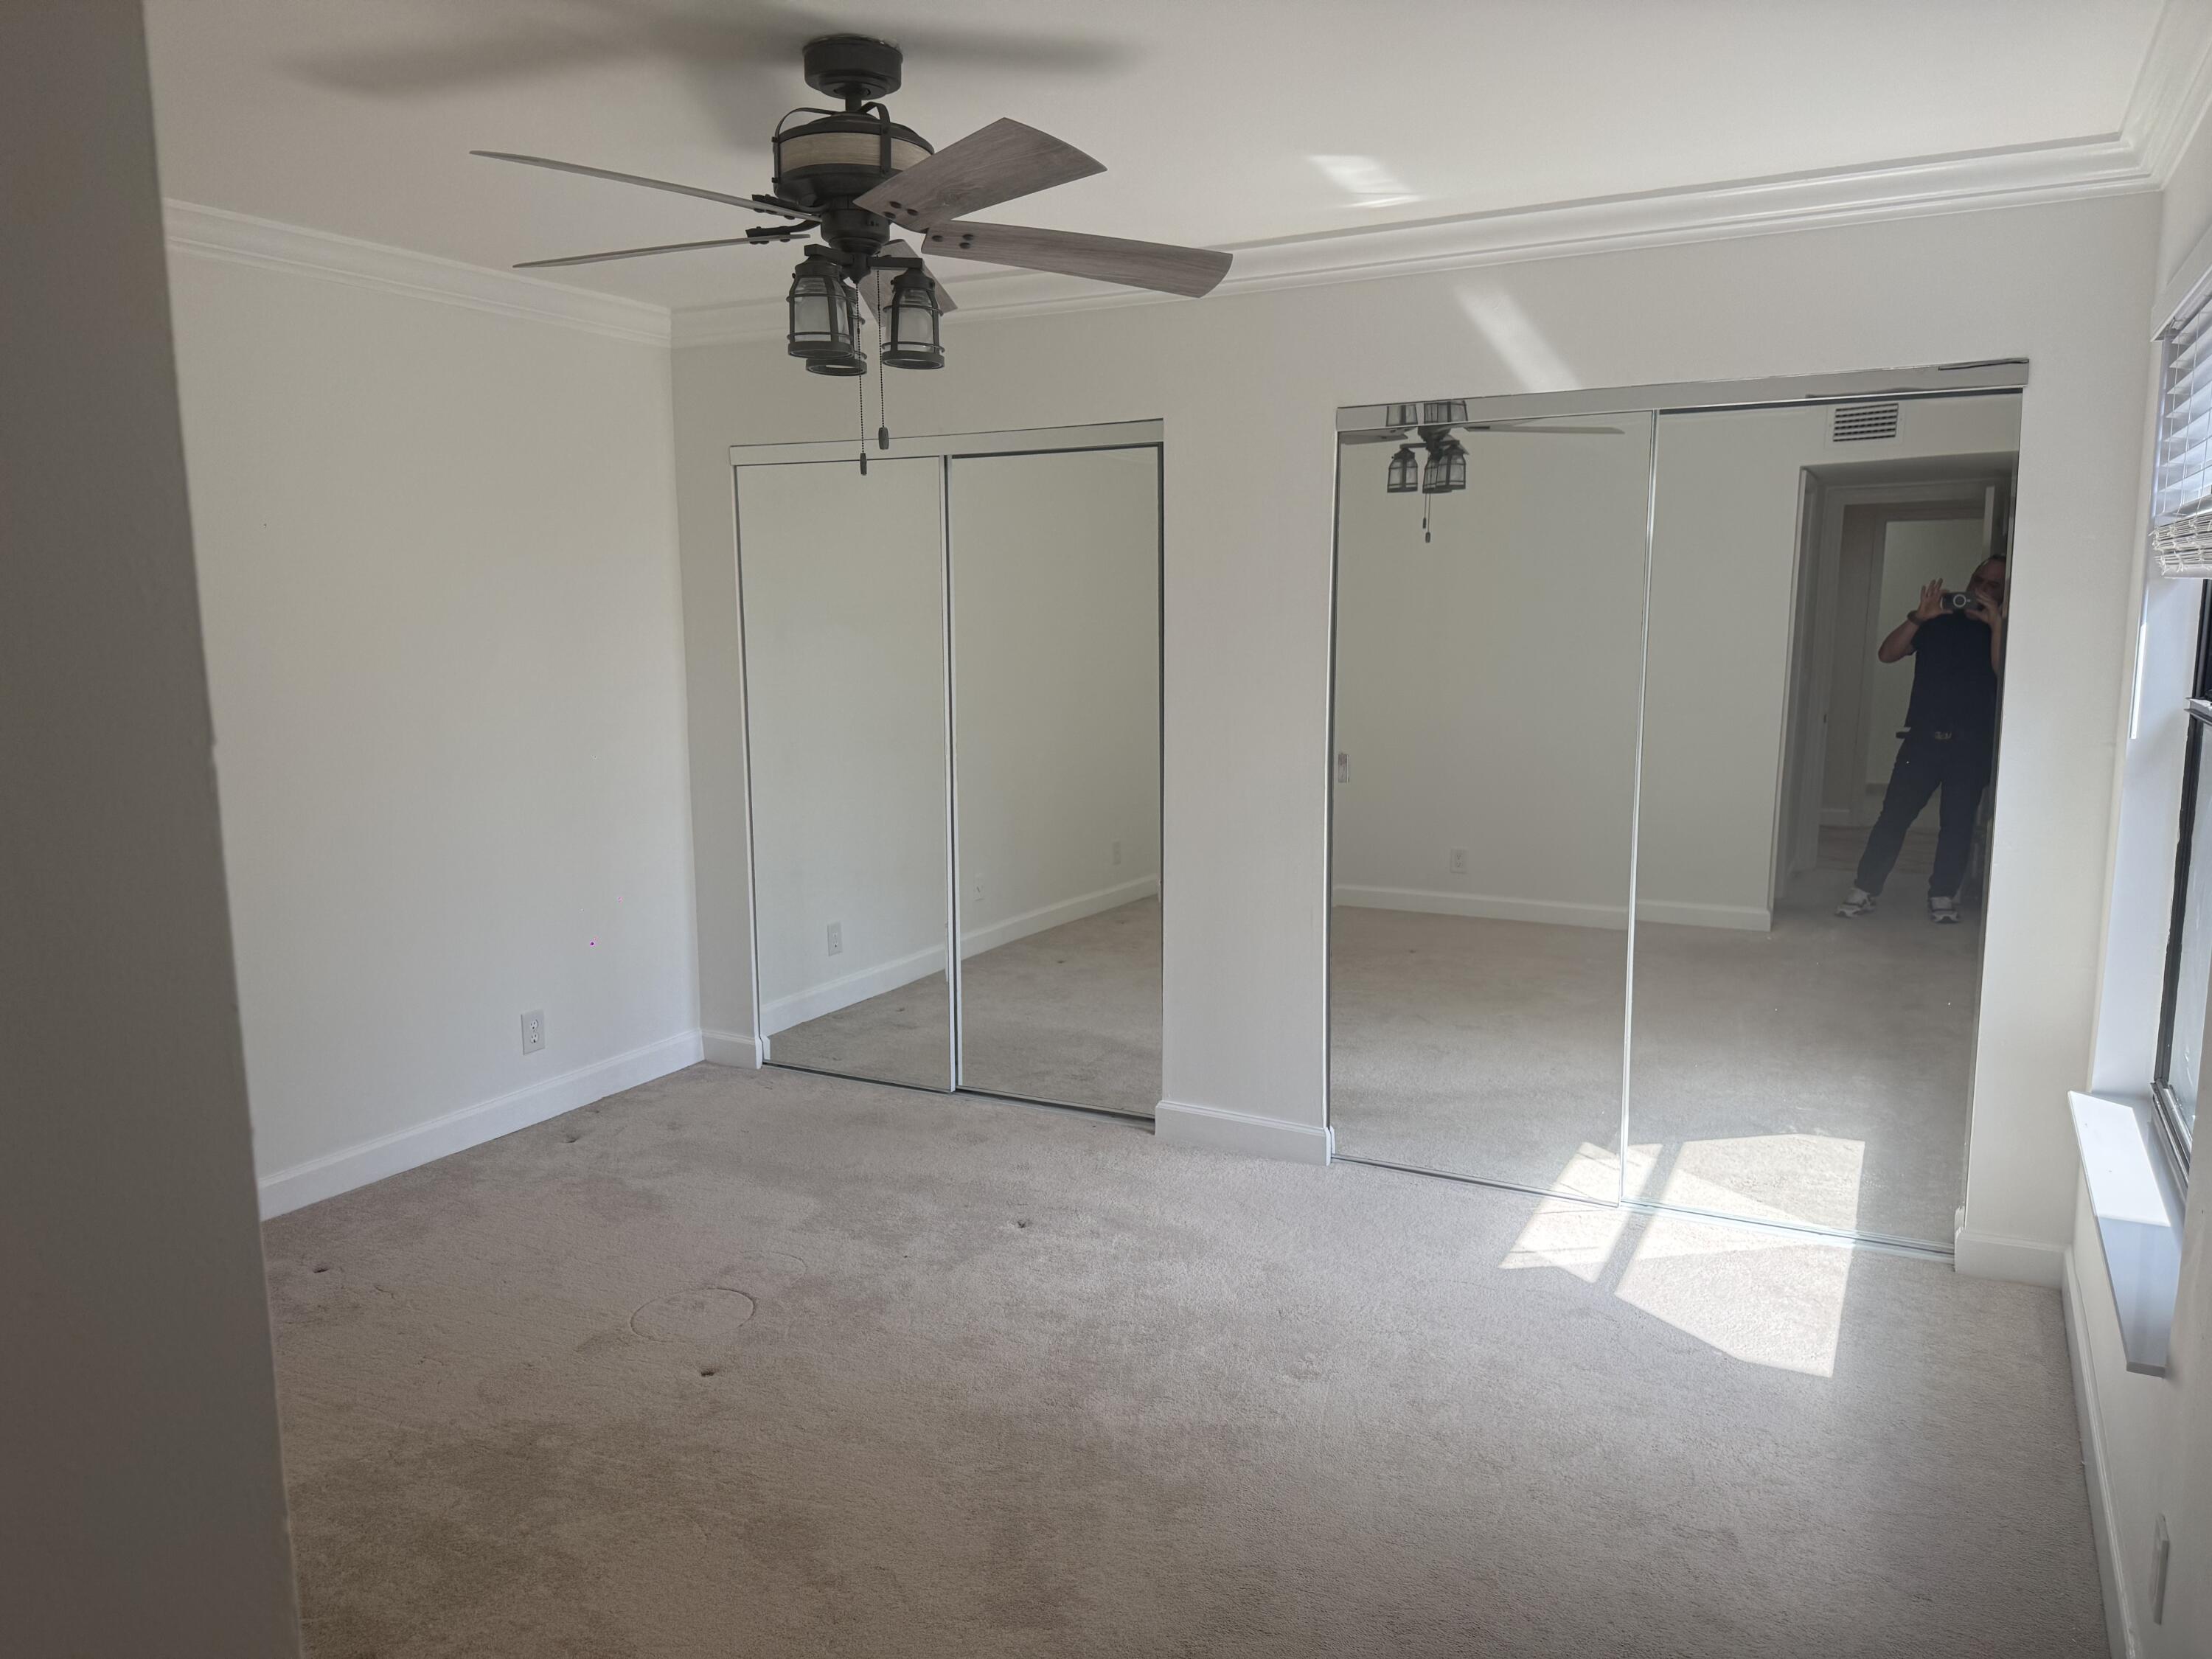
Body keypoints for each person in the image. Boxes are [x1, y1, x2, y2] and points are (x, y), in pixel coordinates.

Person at [1835, 552, 2007, 924]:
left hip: (1971, 743)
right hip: (1923, 739)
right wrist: (1918, 617)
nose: (1984, 588)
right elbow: (1887, 654)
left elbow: (2004, 673)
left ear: (2005, 591)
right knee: (1893, 817)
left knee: (1959, 823)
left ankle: (1943, 894)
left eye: (1995, 585)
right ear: (1972, 577)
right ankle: (1865, 889)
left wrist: (1996, 626)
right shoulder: (1937, 619)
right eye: (1981, 579)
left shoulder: (2002, 629)